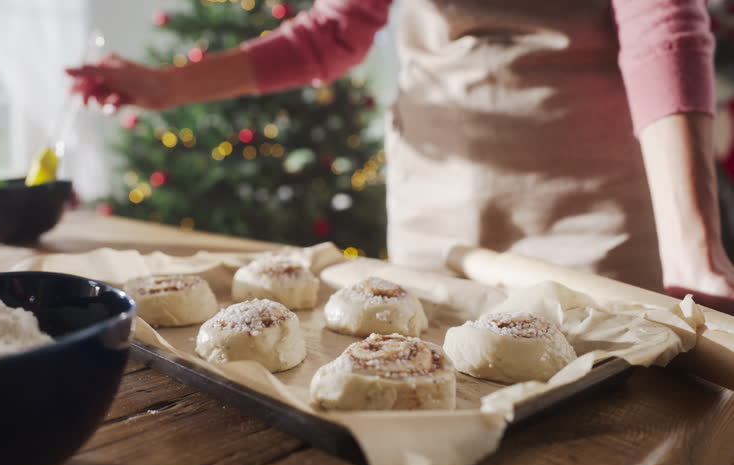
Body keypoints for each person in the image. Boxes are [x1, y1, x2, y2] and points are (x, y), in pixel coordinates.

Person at [67, 0, 734, 313]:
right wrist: (169, 85)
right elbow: (334, 29)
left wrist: (693, 249)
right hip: (438, 208)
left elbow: (661, 23)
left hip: (597, 205)